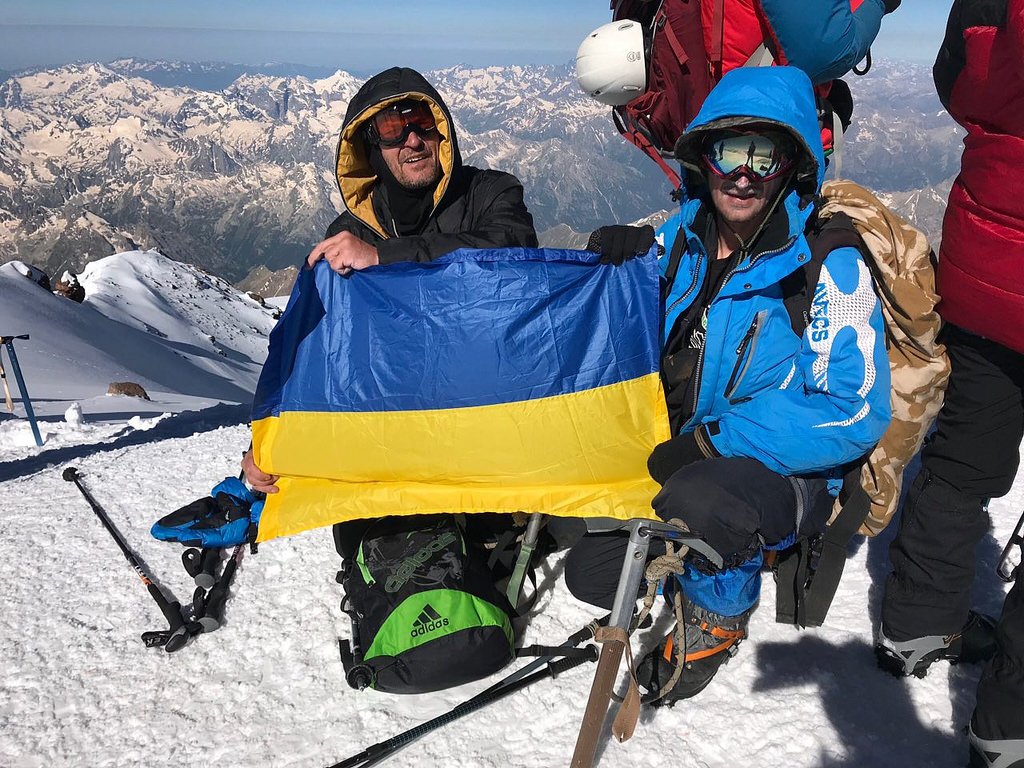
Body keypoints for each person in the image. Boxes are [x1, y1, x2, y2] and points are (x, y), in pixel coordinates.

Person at [568, 65, 891, 702]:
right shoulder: (681, 238)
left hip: (779, 470)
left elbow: (854, 408)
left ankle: (718, 616)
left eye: (763, 156)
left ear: (791, 166)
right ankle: (692, 548)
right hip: (683, 446)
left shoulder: (829, 264)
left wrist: (715, 442)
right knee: (594, 574)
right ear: (704, 159)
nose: (743, 174)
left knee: (705, 501)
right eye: (728, 152)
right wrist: (615, 264)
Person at [241, 66, 538, 553]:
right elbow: (316, 350)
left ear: (441, 132)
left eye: (421, 124)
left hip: (484, 414)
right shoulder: (347, 234)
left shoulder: (491, 193)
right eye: (392, 130)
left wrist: (385, 257)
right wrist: (266, 444)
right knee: (377, 545)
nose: (412, 141)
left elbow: (512, 248)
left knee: (487, 544)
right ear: (372, 150)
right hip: (396, 426)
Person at [875, 1, 1024, 765]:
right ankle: (1011, 725)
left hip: (987, 270)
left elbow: (953, 82)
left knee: (963, 454)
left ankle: (915, 623)